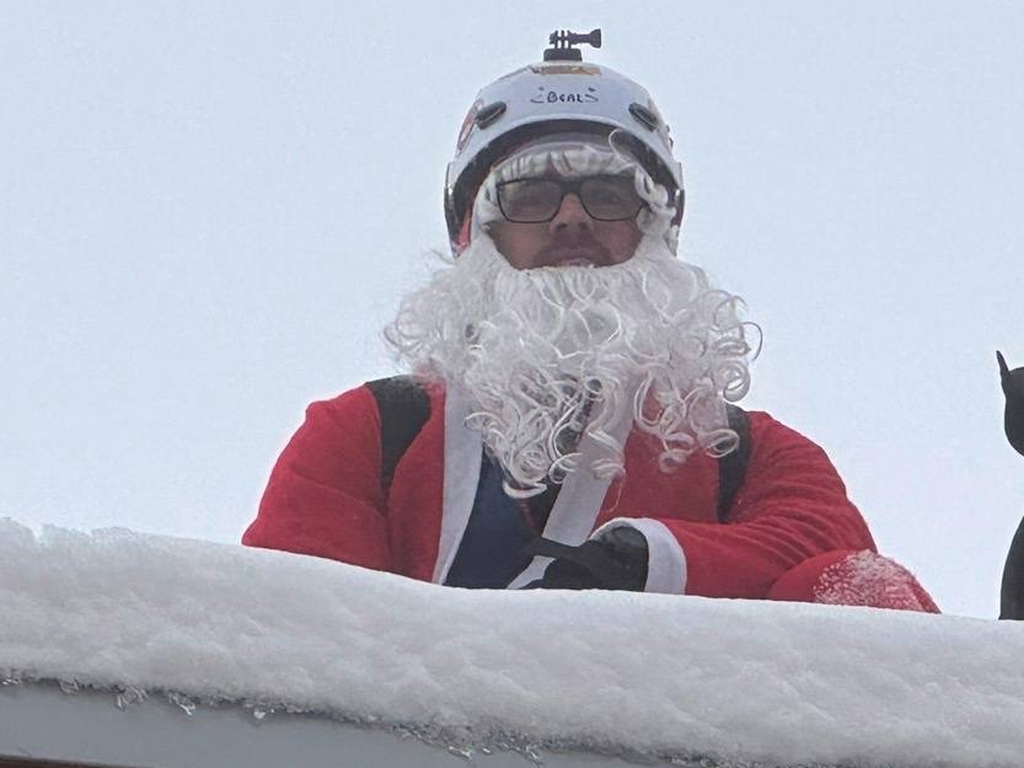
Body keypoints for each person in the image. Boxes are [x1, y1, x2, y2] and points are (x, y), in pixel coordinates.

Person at [243, 30, 938, 612]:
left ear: (656, 236)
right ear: (473, 239)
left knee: (861, 588)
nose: (571, 217)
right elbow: (295, 630)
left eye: (608, 194)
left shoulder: (752, 455)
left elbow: (830, 553)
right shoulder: (367, 434)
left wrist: (651, 559)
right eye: (532, 195)